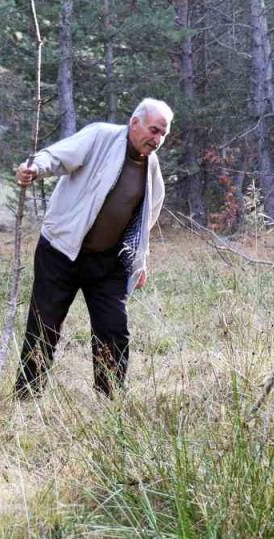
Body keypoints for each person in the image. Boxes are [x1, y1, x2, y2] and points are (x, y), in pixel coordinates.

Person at [13, 98, 172, 398]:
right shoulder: (101, 137)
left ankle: (109, 402)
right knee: (43, 326)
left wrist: (140, 259)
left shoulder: (151, 166)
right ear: (134, 122)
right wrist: (33, 169)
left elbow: (147, 215)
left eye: (163, 134)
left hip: (108, 263)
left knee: (114, 331)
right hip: (60, 252)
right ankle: (26, 399)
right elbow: (58, 156)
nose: (157, 139)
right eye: (153, 130)